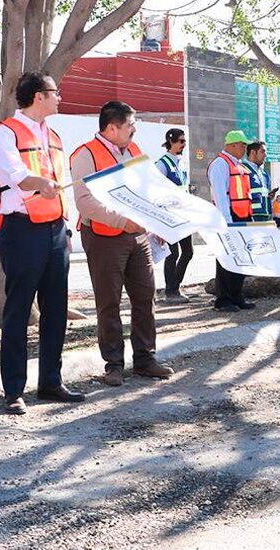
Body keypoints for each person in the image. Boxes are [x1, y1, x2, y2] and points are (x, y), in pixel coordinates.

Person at [0, 71, 84, 415]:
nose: (60, 97)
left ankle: (50, 382)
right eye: (55, 92)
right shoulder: (6, 133)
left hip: (55, 230)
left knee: (56, 310)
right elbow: (15, 176)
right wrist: (39, 182)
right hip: (21, 229)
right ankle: (14, 390)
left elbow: (63, 181)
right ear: (38, 97)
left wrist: (67, 229)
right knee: (19, 310)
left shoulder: (54, 135)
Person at [71, 101, 175, 387]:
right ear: (112, 127)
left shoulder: (134, 151)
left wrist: (157, 224)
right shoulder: (86, 154)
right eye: (131, 124)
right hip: (104, 236)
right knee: (109, 302)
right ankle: (113, 365)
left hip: (138, 235)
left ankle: (145, 359)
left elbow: (149, 191)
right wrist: (121, 222)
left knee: (145, 297)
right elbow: (85, 203)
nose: (135, 129)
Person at [207, 130, 256, 312]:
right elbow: (220, 195)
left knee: (241, 258)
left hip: (242, 217)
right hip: (228, 219)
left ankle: (236, 296)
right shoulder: (220, 164)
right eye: (242, 145)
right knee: (226, 259)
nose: (244, 148)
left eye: (245, 145)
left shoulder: (239, 165)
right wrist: (227, 222)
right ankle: (223, 300)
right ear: (232, 145)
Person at [155, 128, 193, 304]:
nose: (184, 144)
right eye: (181, 141)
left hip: (183, 216)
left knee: (188, 252)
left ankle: (174, 286)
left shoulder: (181, 163)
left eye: (184, 141)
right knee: (173, 253)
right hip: (169, 217)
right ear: (171, 141)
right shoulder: (162, 164)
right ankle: (171, 291)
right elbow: (156, 194)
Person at [242, 141, 273, 222]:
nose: (265, 155)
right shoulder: (241, 170)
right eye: (262, 151)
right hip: (250, 218)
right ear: (253, 152)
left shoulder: (264, 174)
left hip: (265, 217)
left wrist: (269, 197)